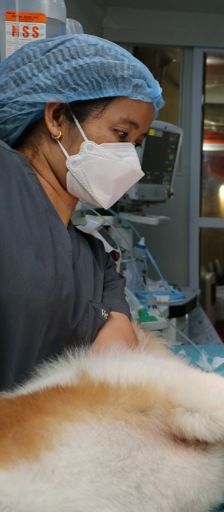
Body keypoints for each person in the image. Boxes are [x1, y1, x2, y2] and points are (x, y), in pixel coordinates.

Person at [0, 34, 164, 390]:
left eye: (136, 144)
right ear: (57, 117)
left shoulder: (94, 259)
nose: (130, 159)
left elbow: (114, 349)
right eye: (121, 134)